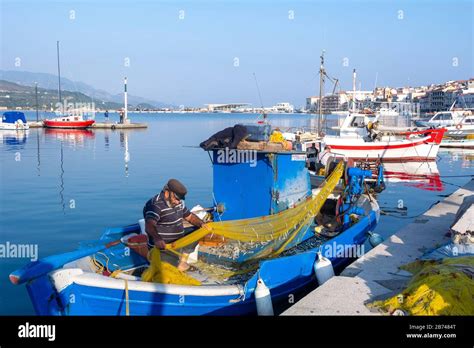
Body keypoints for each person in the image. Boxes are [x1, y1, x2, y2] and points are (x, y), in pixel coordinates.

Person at [143, 179, 210, 251]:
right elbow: (149, 226)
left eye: (180, 199)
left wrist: (201, 224)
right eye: (176, 199)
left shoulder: (179, 203)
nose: (178, 202)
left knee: (198, 231)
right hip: (163, 247)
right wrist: (157, 239)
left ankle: (183, 259)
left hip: (178, 243)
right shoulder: (155, 205)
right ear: (167, 192)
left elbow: (190, 217)